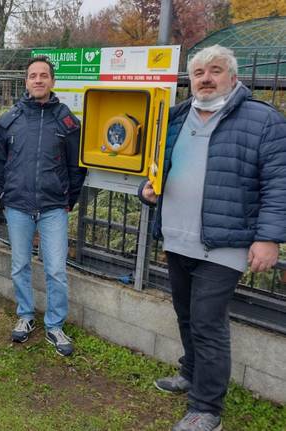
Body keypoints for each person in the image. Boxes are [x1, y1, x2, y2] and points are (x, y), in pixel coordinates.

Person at [139, 45, 286, 431]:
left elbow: (278, 183)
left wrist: (269, 238)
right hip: (176, 237)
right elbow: (157, 165)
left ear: (233, 77)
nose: (206, 78)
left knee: (208, 323)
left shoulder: (262, 120)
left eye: (215, 70)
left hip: (224, 243)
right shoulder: (175, 117)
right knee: (186, 314)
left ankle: (207, 409)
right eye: (199, 72)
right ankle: (191, 371)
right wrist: (147, 189)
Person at [0, 56, 86, 357]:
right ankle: (25, 315)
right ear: (26, 81)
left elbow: (77, 167)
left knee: (56, 269)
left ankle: (54, 324)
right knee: (20, 264)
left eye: (43, 75)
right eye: (33, 75)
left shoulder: (67, 121)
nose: (38, 80)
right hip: (18, 206)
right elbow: (0, 164)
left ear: (52, 81)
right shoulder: (10, 120)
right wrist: (5, 197)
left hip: (53, 208)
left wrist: (67, 201)